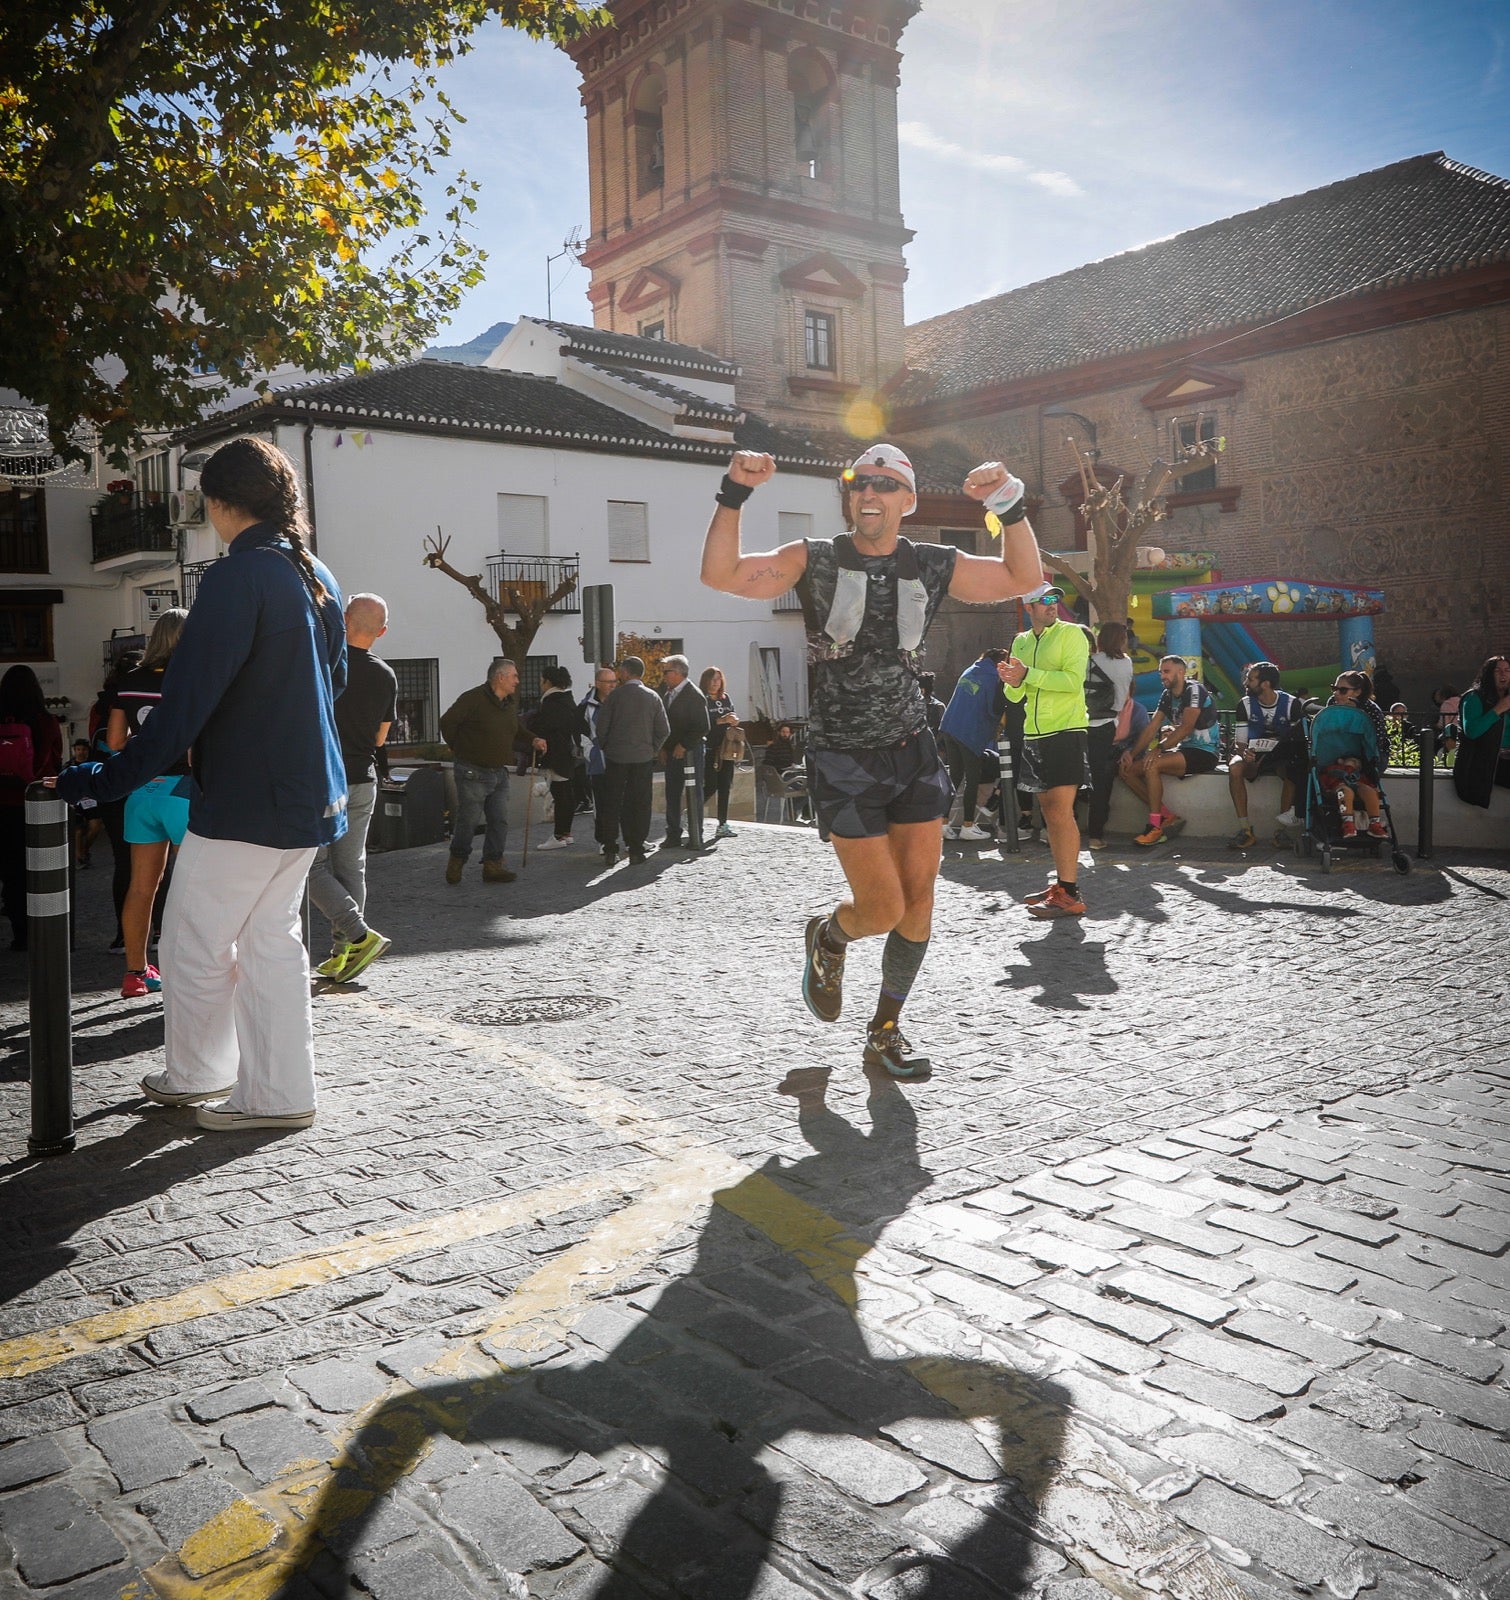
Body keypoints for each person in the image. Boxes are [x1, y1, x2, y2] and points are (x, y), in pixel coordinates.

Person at [700, 443, 1045, 1078]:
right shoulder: (816, 558)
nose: (869, 493)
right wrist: (734, 493)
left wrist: (1008, 503)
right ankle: (830, 935)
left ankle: (885, 1030)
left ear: (907, 501)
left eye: (885, 485)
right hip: (844, 757)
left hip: (914, 751)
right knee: (882, 908)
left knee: (919, 904)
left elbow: (1022, 579)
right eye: (860, 483)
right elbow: (722, 576)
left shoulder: (933, 563)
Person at [54, 435, 346, 1132]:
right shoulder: (316, 574)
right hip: (307, 795)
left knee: (192, 941)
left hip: (248, 800)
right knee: (271, 942)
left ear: (218, 503)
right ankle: (275, 1093)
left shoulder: (238, 577)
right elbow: (333, 684)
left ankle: (200, 1075)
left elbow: (184, 704)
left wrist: (102, 779)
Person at [307, 593, 396, 980]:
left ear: (343, 619)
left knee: (308, 867)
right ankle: (342, 952)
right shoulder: (386, 674)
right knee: (351, 867)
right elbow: (380, 738)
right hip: (363, 778)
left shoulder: (324, 664)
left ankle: (358, 937)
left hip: (323, 778)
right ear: (382, 631)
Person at [106, 607, 193, 998]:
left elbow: (114, 743)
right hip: (184, 791)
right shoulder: (193, 678)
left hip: (143, 792)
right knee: (195, 887)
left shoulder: (128, 680)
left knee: (142, 887)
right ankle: (192, 971)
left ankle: (135, 974)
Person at [1001, 587, 1092, 917]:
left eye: (1056, 599)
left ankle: (1070, 891)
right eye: (1046, 601)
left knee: (1061, 811)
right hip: (1034, 734)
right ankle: (1063, 886)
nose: (1053, 605)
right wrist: (1012, 681)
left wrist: (1028, 674)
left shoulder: (1072, 634)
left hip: (1067, 731)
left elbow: (1072, 681)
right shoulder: (1021, 641)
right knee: (1051, 812)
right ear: (1029, 607)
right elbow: (1015, 698)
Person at [439, 658, 543, 886]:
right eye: (514, 676)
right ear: (500, 677)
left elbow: (515, 729)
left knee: (499, 820)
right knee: (469, 820)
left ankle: (493, 865)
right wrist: (459, 747)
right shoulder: (473, 698)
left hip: (498, 772)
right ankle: (457, 861)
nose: (517, 681)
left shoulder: (508, 703)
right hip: (472, 771)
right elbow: (447, 722)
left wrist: (532, 739)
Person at [1119, 655, 1221, 847]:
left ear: (1181, 672)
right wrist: (1131, 755)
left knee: (1152, 765)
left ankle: (1155, 826)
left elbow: (1186, 727)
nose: (1162, 676)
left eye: (1166, 671)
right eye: (1160, 672)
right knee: (1127, 771)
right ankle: (1166, 815)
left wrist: (1158, 748)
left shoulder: (1194, 690)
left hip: (1205, 752)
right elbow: (1151, 728)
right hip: (1184, 751)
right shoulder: (1167, 695)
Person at [0, 665, 63, 950]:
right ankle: (46, 929)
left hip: (3, 803)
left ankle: (20, 934)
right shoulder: (45, 721)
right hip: (38, 805)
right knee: (42, 870)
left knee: (11, 871)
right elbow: (55, 760)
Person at [594, 656, 669, 864]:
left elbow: (601, 728)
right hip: (643, 758)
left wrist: (607, 746)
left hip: (616, 757)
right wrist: (652, 749)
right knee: (640, 802)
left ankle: (610, 848)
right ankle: (636, 848)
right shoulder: (653, 697)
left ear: (626, 673)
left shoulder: (614, 697)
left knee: (612, 802)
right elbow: (664, 730)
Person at [1226, 661, 1304, 848]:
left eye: (1251, 679)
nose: (1245, 682)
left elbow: (1298, 743)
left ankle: (1281, 832)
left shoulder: (1292, 704)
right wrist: (1244, 753)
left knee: (1293, 770)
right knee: (1234, 767)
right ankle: (1245, 830)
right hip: (1253, 754)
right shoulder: (1244, 704)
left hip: (1281, 755)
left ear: (1265, 684)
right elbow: (1240, 742)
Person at [939, 649, 1008, 843]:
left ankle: (944, 824)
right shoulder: (993, 677)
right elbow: (993, 709)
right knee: (972, 778)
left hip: (950, 727)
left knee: (954, 778)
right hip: (970, 732)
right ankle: (968, 825)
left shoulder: (970, 670)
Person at [1312, 672, 1387, 838]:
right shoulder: (1333, 704)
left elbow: (1377, 743)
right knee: (1343, 792)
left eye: (1343, 690)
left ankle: (1375, 823)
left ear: (1357, 692)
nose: (1336, 693)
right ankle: (1347, 822)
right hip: (1335, 767)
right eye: (1334, 688)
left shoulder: (1370, 711)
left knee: (1369, 791)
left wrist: (1363, 762)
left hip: (1361, 766)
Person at [1084, 622, 1134, 851]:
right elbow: (1123, 700)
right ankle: (1096, 835)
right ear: (1122, 640)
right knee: (1100, 781)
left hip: (1080, 725)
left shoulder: (1090, 661)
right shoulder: (1127, 663)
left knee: (1074, 776)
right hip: (1106, 726)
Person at [528, 663, 588, 851]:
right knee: (566, 794)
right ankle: (566, 833)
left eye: (541, 680)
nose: (540, 684)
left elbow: (545, 728)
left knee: (561, 795)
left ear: (547, 682)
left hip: (557, 756)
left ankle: (559, 835)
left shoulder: (551, 704)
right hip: (568, 754)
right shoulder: (567, 700)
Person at [659, 654, 713, 853]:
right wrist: (664, 748)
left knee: (693, 792)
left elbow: (702, 726)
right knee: (672, 793)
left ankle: (695, 834)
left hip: (691, 752)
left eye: (667, 672)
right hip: (672, 752)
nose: (663, 676)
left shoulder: (694, 694)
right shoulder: (668, 694)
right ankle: (673, 833)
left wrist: (684, 744)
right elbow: (665, 725)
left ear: (679, 672)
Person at [1451, 655, 1510, 809]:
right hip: (1483, 762)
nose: (1503, 674)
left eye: (1507, 670)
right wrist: (1499, 709)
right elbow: (1472, 731)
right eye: (1498, 671)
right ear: (1488, 675)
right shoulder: (1474, 697)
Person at [580, 665, 619, 856]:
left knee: (624, 801)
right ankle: (603, 840)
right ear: (597, 683)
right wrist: (590, 753)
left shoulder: (620, 701)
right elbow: (580, 733)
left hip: (620, 760)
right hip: (598, 763)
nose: (612, 685)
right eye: (608, 682)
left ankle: (630, 838)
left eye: (614, 681)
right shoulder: (586, 706)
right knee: (601, 803)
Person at [701, 665, 741, 840]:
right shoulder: (702, 699)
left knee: (725, 785)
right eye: (712, 679)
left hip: (727, 748)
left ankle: (723, 823)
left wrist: (733, 720)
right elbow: (704, 723)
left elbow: (732, 714)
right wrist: (722, 720)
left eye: (718, 679)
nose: (715, 682)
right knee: (711, 785)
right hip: (710, 748)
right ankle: (692, 812)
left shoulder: (726, 698)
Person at [63, 739, 101, 868]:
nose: (81, 752)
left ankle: (85, 849)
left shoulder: (94, 765)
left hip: (92, 801)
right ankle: (80, 858)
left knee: (95, 827)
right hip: (76, 802)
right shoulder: (69, 766)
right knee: (78, 830)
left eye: (84, 749)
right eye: (78, 749)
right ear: (74, 750)